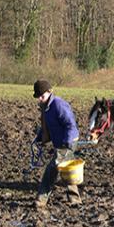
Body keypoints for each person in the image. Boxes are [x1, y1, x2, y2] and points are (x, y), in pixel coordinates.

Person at [32, 79, 81, 207]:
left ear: (50, 92)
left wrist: (67, 142)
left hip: (68, 141)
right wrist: (39, 138)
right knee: (68, 169)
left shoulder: (59, 105)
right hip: (60, 142)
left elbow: (70, 124)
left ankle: (41, 199)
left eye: (42, 96)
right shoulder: (45, 108)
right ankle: (75, 199)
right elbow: (46, 127)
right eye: (38, 97)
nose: (40, 99)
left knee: (52, 168)